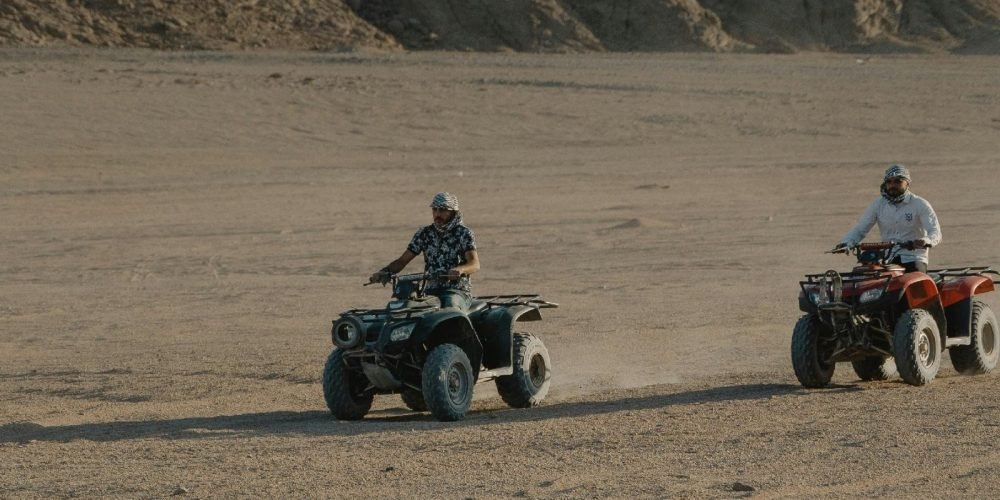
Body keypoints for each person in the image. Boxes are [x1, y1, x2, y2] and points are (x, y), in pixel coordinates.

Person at [369, 192, 480, 310]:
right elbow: (402, 261)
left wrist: (460, 270)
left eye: (442, 210)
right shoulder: (424, 233)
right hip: (429, 291)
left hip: (456, 291)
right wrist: (384, 272)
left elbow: (474, 264)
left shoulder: (463, 233)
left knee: (450, 309)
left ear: (453, 212)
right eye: (435, 210)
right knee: (405, 309)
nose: (437, 214)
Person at [833, 164, 942, 273]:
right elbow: (860, 229)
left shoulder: (920, 204)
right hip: (887, 258)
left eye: (897, 182)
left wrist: (925, 241)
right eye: (889, 182)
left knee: (915, 281)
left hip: (913, 257)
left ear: (907, 183)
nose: (892, 185)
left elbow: (935, 232)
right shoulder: (878, 204)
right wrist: (847, 242)